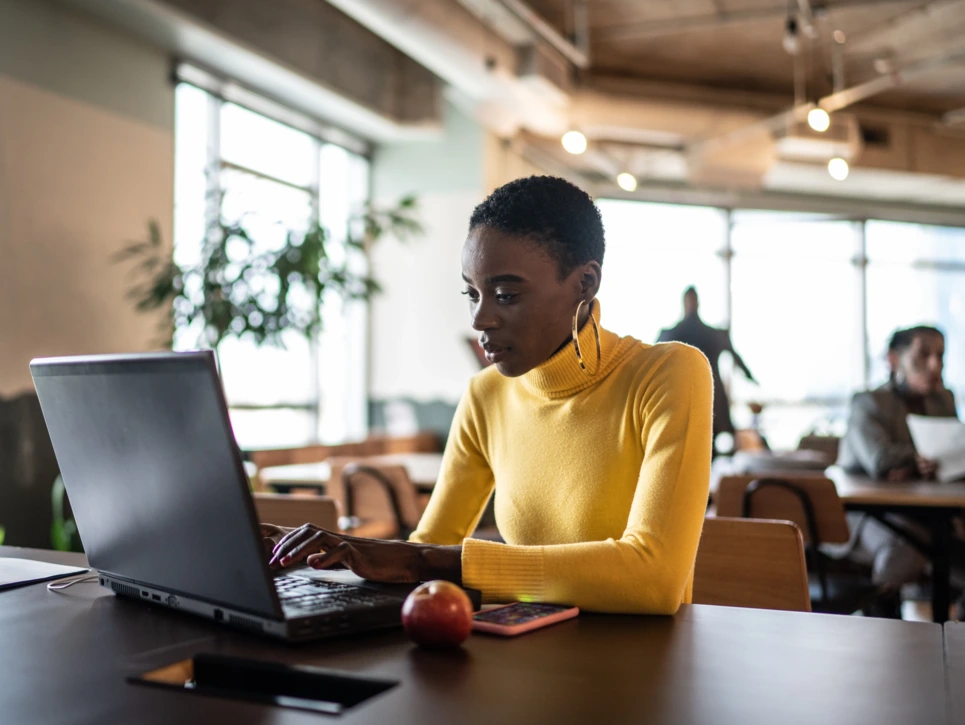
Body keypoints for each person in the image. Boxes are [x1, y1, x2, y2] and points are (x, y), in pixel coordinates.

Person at [266, 175, 714, 614]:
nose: (480, 319)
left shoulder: (668, 374)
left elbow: (654, 578)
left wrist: (427, 560)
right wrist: (325, 561)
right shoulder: (486, 394)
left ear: (585, 283)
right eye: (472, 293)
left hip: (642, 675)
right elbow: (426, 549)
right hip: (519, 662)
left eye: (505, 294)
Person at [838, 325, 958, 590]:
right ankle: (882, 608)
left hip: (925, 509)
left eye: (940, 355)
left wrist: (914, 464)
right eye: (923, 355)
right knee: (909, 544)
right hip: (867, 512)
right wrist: (918, 461)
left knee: (945, 539)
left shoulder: (942, 401)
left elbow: (952, 453)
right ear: (893, 359)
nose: (935, 365)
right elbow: (880, 460)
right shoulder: (868, 402)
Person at [657, 287, 756, 453]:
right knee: (708, 449)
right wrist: (751, 378)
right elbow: (736, 359)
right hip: (709, 399)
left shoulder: (672, 334)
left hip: (687, 400)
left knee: (692, 449)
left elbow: (653, 362)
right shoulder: (713, 334)